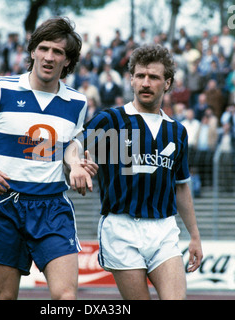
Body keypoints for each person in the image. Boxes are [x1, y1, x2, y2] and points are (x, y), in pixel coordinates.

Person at [0, 17, 96, 300]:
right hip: (6, 203)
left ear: (68, 62)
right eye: (44, 48)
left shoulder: (78, 102)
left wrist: (77, 162)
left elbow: (70, 146)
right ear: (32, 51)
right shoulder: (2, 89)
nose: (49, 57)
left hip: (52, 207)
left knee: (66, 297)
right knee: (4, 297)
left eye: (58, 52)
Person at [66, 44, 203, 300]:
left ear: (168, 83)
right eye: (140, 76)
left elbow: (182, 186)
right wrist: (75, 164)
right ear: (131, 80)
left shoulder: (177, 131)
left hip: (163, 230)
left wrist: (194, 236)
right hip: (121, 228)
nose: (146, 83)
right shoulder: (111, 120)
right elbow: (74, 145)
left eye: (154, 77)